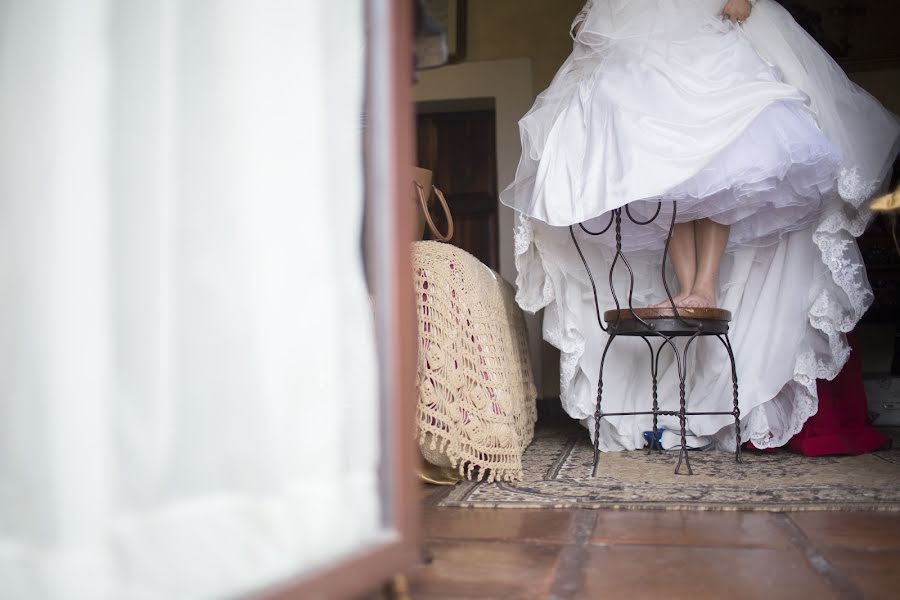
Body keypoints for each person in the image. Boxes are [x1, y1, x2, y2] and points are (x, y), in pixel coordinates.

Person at [501, 0, 900, 451]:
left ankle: (704, 285)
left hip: (702, 24)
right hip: (643, 26)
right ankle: (691, 285)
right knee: (659, 173)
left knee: (718, 160)